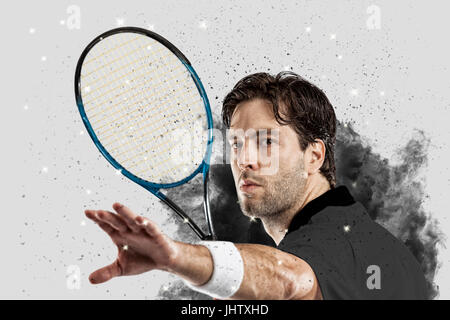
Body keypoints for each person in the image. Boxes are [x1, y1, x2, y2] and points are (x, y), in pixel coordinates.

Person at [84, 72, 428, 299]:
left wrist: (177, 257)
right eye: (235, 144)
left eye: (266, 142)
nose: (244, 159)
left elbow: (291, 278)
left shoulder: (330, 241)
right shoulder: (384, 248)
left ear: (314, 156)